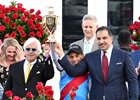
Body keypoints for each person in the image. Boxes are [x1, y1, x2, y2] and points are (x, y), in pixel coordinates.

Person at [55, 26, 138, 100]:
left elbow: (132, 80)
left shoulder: (123, 56)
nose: (101, 41)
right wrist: (61, 54)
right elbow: (73, 71)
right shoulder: (90, 57)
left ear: (111, 38)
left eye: (104, 38)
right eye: (98, 39)